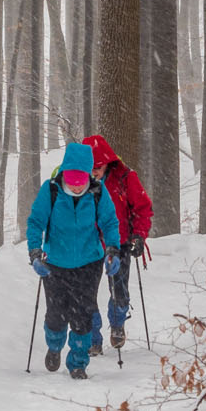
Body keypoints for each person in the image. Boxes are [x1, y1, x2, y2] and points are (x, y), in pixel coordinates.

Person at [25, 140, 121, 379]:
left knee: (83, 314)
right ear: (64, 174)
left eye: (81, 182)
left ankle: (78, 362)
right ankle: (55, 344)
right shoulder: (51, 190)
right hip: (55, 262)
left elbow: (110, 222)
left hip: (89, 263)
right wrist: (35, 252)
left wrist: (112, 250)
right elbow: (36, 222)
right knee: (56, 313)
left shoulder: (98, 192)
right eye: (72, 182)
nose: (77, 188)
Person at [81, 134, 154, 354]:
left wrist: (139, 236)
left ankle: (118, 323)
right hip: (88, 244)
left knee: (119, 290)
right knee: (86, 293)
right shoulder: (75, 181)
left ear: (108, 163)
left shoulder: (125, 178)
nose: (94, 172)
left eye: (99, 167)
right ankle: (92, 337)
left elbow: (142, 208)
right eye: (90, 167)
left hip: (120, 242)